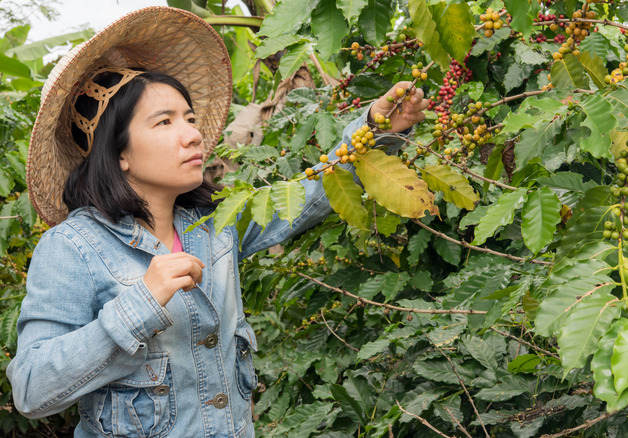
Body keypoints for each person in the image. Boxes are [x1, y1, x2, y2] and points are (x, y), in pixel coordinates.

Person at [7, 6, 427, 438]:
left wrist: (376, 131)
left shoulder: (212, 223)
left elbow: (312, 194)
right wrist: (141, 304)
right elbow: (33, 389)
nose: (192, 134)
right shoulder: (72, 248)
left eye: (189, 118)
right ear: (119, 155)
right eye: (165, 122)